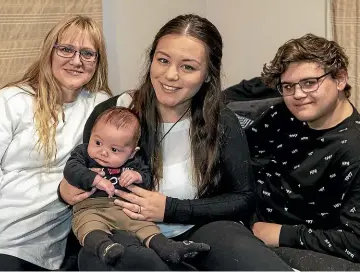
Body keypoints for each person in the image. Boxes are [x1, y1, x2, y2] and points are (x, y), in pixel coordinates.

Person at [59, 14, 293, 271]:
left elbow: (243, 198)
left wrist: (172, 209)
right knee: (105, 258)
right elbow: (84, 170)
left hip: (198, 227)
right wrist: (67, 189)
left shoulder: (221, 121)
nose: (170, 75)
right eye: (163, 60)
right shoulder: (113, 113)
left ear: (207, 75)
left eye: (188, 67)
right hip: (123, 228)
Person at [0, 15, 111, 271]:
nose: (76, 60)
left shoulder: (100, 106)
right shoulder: (13, 100)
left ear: (98, 62)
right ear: (49, 51)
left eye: (87, 53)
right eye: (66, 49)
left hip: (51, 243)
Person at [247, 33, 360, 270]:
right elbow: (238, 150)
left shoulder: (353, 150)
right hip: (243, 214)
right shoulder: (282, 115)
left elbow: (355, 242)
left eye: (310, 82)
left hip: (288, 244)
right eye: (288, 86)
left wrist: (281, 235)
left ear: (340, 79)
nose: (297, 95)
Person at [64, 106, 210, 266]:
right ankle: (104, 248)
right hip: (90, 208)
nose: (103, 152)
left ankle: (168, 248)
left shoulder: (134, 162)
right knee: (88, 226)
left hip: (126, 208)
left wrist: (137, 176)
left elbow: (148, 178)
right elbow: (71, 169)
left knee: (145, 225)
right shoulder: (84, 153)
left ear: (132, 152)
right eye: (97, 142)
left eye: (114, 149)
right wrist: (94, 179)